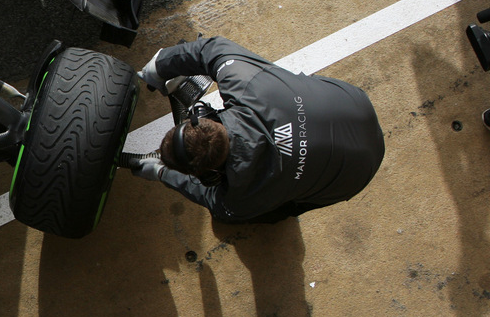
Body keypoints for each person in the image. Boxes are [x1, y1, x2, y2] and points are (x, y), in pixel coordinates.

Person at [126, 36, 385, 223]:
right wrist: (161, 64)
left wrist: (164, 174)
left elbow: (219, 205)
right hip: (353, 104)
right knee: (278, 79)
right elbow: (210, 48)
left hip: (355, 174)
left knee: (268, 215)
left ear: (209, 175)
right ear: (202, 115)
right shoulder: (247, 83)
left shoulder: (247, 193)